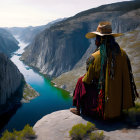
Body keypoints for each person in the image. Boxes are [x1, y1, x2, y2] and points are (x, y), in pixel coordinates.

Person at [70, 21, 138, 120]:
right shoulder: (123, 54)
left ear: (100, 39)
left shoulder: (95, 57)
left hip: (103, 107)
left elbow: (87, 80)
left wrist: (85, 78)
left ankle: (78, 109)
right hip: (120, 107)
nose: (95, 41)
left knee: (81, 80)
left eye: (96, 38)